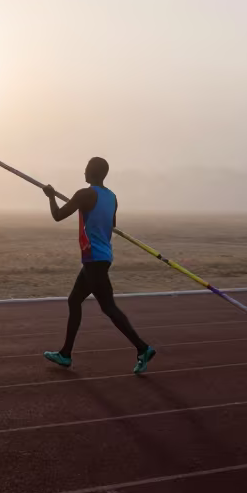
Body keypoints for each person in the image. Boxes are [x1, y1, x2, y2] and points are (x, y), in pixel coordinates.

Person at [41, 157, 156, 374]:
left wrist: (51, 197)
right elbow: (111, 225)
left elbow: (57, 216)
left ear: (92, 172)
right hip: (101, 256)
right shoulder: (111, 197)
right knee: (74, 300)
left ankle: (143, 348)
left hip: (94, 257)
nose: (83, 172)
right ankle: (65, 354)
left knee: (108, 307)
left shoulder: (85, 194)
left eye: (85, 169)